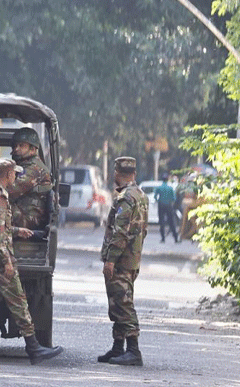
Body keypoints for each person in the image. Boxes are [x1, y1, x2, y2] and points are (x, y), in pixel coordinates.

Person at [0, 158, 63, 365]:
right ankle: (34, 348)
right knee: (19, 302)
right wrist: (7, 261)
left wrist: (16, 230)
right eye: (14, 174)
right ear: (7, 174)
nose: (16, 177)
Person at [99, 157, 148, 366]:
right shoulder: (140, 195)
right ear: (134, 174)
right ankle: (118, 347)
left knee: (123, 303)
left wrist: (110, 260)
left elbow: (120, 233)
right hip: (131, 258)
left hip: (121, 260)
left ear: (117, 174)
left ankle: (133, 350)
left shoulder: (126, 198)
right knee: (117, 302)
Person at [7, 127, 53, 230]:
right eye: (15, 146)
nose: (16, 149)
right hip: (23, 214)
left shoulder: (34, 168)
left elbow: (11, 191)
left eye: (21, 146)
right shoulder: (23, 165)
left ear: (33, 149)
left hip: (29, 220)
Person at [153, 176, 179, 243]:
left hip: (161, 205)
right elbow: (174, 198)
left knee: (161, 222)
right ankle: (175, 238)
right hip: (169, 206)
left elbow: (155, 197)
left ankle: (163, 238)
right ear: (167, 180)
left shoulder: (159, 188)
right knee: (171, 222)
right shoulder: (170, 188)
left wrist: (159, 200)